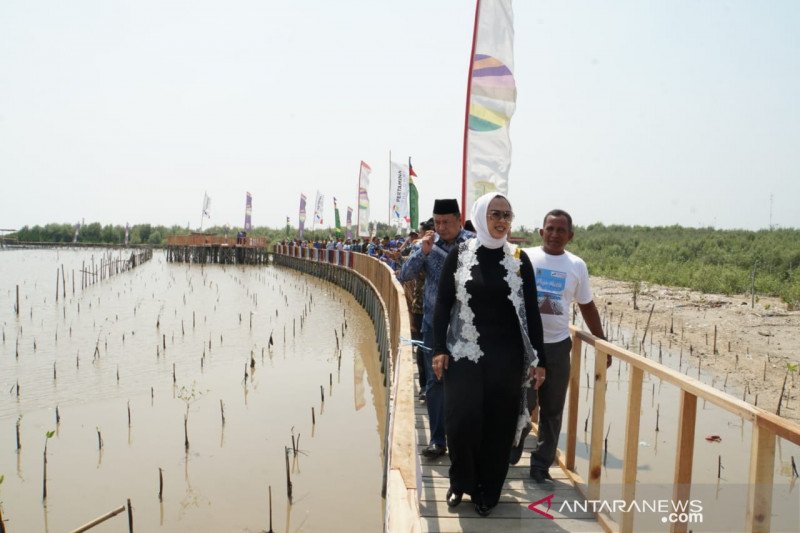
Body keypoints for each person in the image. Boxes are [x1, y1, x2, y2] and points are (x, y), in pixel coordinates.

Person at [432, 193, 545, 517]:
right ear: (482, 216)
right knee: (462, 421)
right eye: (495, 214)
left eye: (507, 215)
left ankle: (488, 491)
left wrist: (541, 361)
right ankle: (461, 482)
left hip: (506, 359)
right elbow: (443, 305)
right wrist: (440, 348)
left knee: (498, 426)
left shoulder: (519, 260)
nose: (501, 221)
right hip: (465, 353)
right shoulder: (461, 254)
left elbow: (531, 314)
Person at [520, 209, 607, 483]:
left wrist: (601, 341)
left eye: (561, 230)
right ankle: (511, 448)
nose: (555, 234)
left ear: (570, 235)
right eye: (550, 228)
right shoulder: (524, 258)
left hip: (557, 347)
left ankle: (541, 465)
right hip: (524, 346)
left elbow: (586, 305)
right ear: (541, 232)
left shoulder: (576, 265)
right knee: (522, 403)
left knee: (552, 408)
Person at [397, 199, 473, 458]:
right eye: (437, 222)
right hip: (433, 325)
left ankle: (464, 439)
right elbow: (404, 274)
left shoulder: (474, 244)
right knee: (434, 381)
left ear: (458, 219)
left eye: (446, 222)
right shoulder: (427, 245)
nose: (441, 227)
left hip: (467, 327)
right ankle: (437, 439)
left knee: (467, 383)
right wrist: (423, 251)